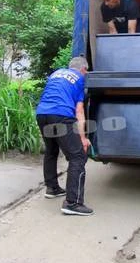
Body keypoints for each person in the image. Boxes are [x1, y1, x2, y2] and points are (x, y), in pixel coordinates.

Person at [36, 56, 93, 216]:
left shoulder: (56, 73)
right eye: (86, 71)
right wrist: (83, 138)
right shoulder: (80, 80)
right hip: (61, 115)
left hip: (42, 114)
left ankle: (52, 188)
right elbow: (79, 111)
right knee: (78, 157)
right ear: (83, 69)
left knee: (51, 150)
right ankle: (72, 203)